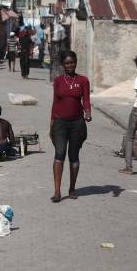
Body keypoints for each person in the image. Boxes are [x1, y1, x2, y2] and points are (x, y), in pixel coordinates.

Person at [50, 50, 92, 203]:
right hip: (60, 123)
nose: (70, 65)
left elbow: (86, 100)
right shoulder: (58, 81)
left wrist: (88, 112)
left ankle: (72, 188)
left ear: (76, 63)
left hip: (77, 124)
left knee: (74, 156)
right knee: (59, 153)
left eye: (72, 62)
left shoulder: (83, 80)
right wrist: (52, 124)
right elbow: (55, 103)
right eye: (67, 63)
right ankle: (57, 191)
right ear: (63, 65)